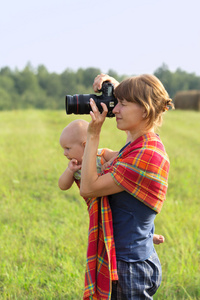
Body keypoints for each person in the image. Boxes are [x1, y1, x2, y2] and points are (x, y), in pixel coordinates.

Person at [79, 73, 174, 300]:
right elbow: (143, 100)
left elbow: (89, 187)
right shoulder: (139, 144)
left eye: (122, 104)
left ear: (145, 110)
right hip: (133, 259)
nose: (115, 110)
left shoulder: (146, 155)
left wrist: (93, 136)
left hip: (129, 266)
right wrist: (117, 88)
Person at [58, 119, 165, 246]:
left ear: (85, 145)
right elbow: (63, 185)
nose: (65, 153)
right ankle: (145, 236)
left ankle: (147, 235)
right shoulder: (75, 166)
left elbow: (120, 156)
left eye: (68, 148)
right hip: (98, 204)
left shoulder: (101, 154)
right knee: (106, 226)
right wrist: (69, 171)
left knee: (124, 220)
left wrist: (109, 162)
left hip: (112, 196)